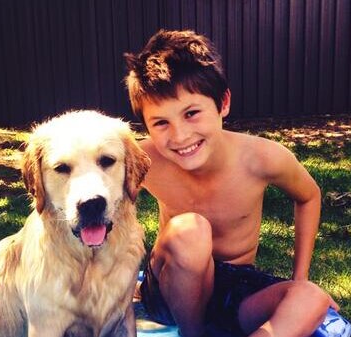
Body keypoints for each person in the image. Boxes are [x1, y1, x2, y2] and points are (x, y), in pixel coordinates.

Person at [124, 29, 338, 337]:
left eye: (192, 113)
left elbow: (309, 196)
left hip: (235, 287)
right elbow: (108, 211)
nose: (180, 136)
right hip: (169, 290)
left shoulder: (261, 158)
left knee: (311, 297)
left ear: (223, 103)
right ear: (145, 125)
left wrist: (300, 277)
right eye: (161, 123)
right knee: (191, 231)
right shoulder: (141, 160)